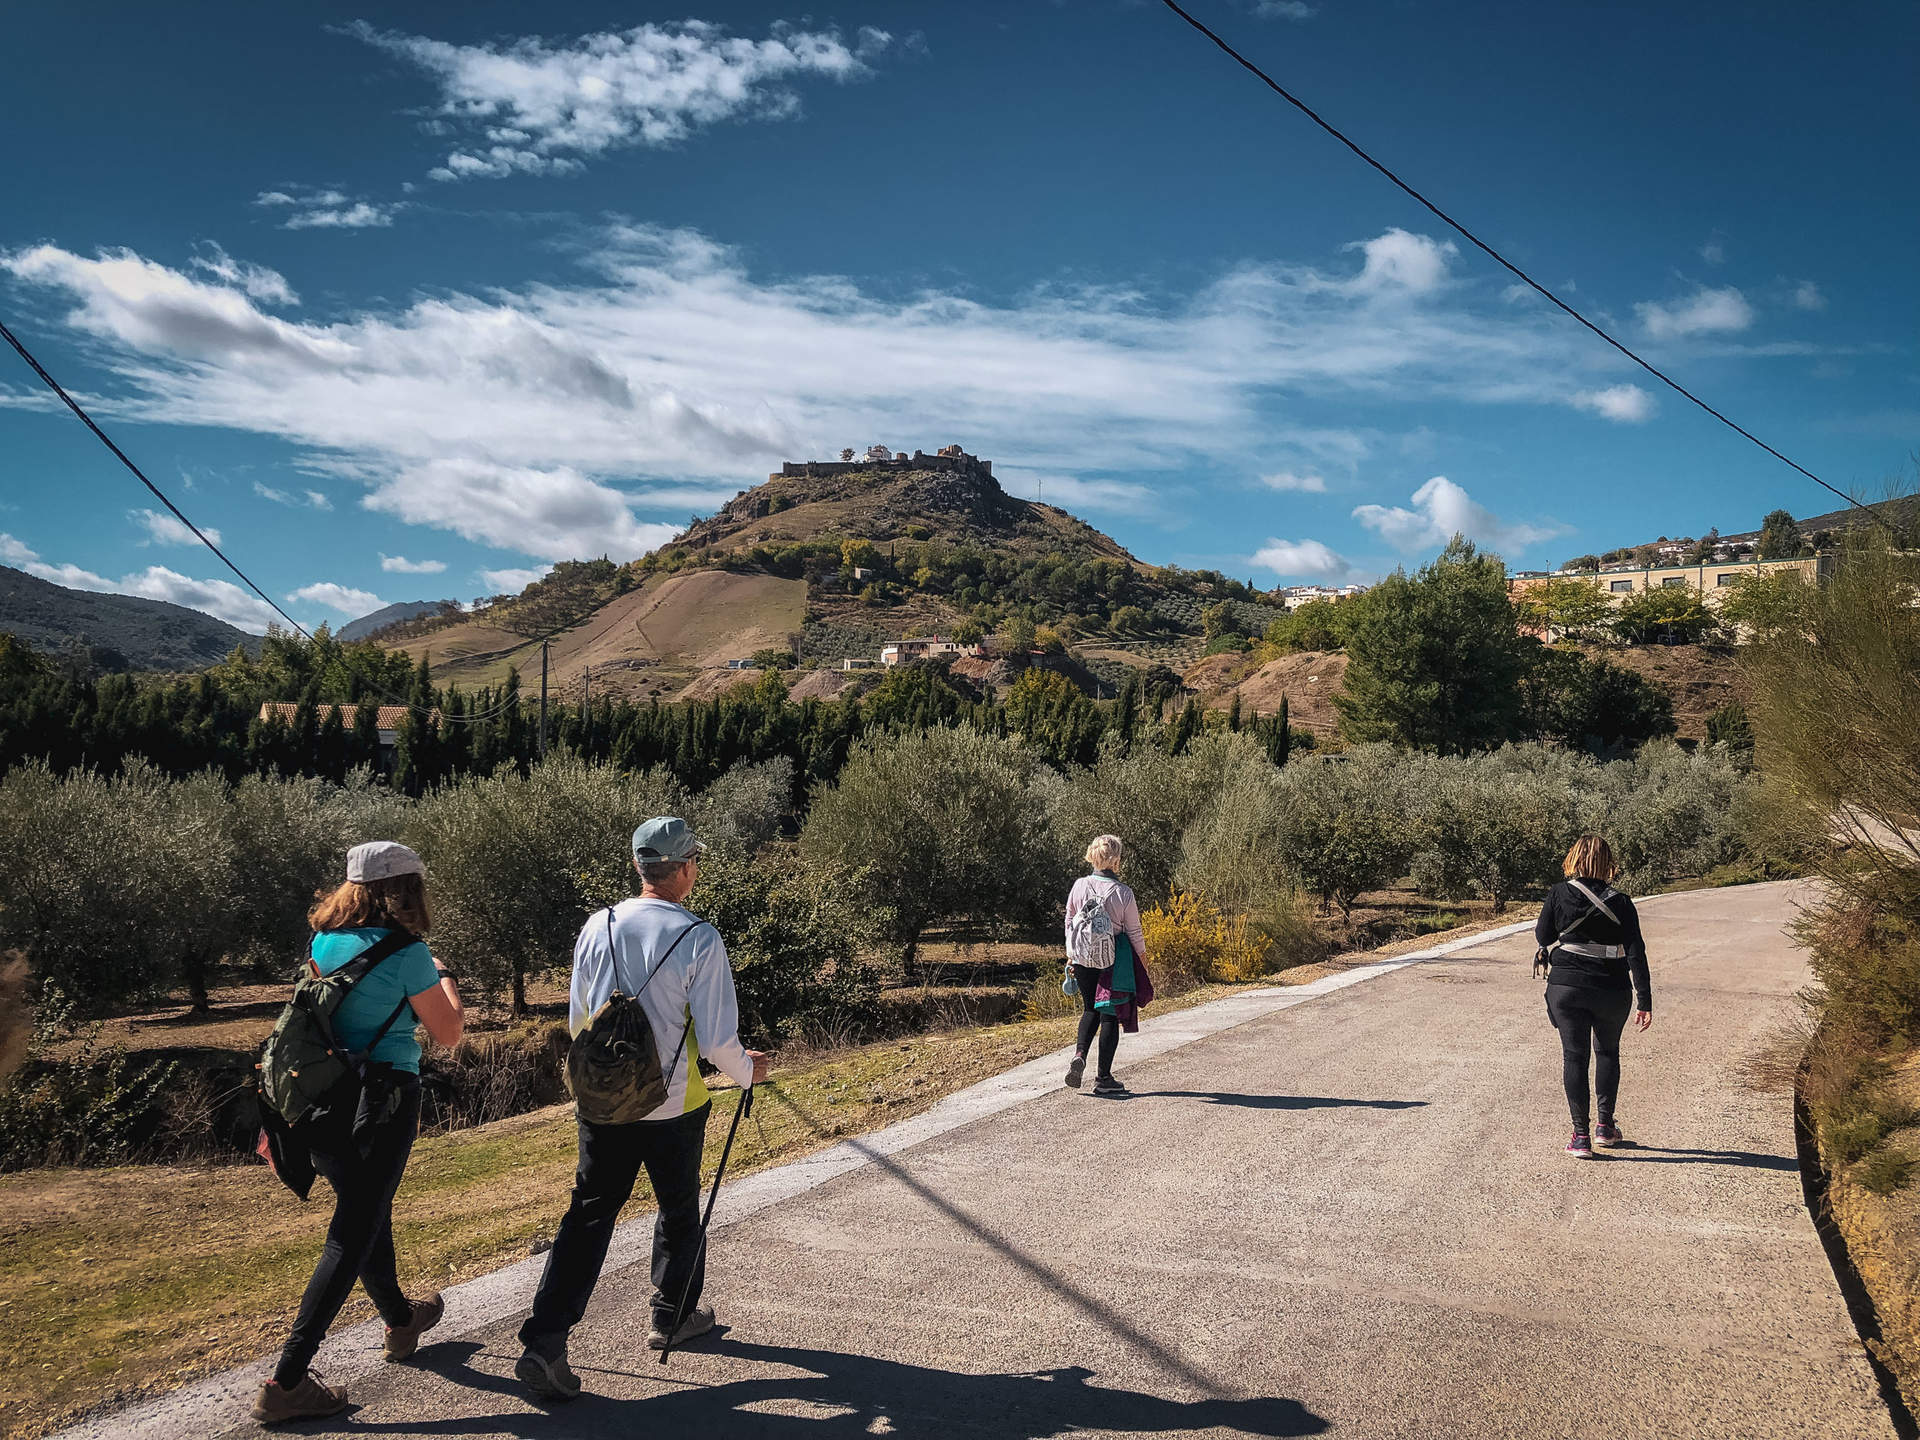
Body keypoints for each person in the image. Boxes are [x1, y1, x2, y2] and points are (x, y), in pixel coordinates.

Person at [516, 816, 771, 1401]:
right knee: (679, 1208)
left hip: (604, 1103)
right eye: (695, 861)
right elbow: (716, 1040)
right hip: (672, 1105)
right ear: (683, 869)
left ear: (639, 867)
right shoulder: (699, 937)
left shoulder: (596, 925)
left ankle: (545, 1341)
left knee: (587, 1215)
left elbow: (581, 1018)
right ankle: (671, 1315)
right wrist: (748, 1072)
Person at [255, 841, 465, 1426]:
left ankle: (401, 1321)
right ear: (406, 889)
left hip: (323, 1103)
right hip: (382, 1101)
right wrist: (444, 976)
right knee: (352, 1232)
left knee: (367, 1210)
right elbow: (449, 1033)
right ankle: (287, 1381)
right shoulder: (409, 952)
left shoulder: (323, 942)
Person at [1534, 835, 1652, 1160]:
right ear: (1607, 864)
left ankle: (1581, 1136)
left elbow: (1543, 936)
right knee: (1608, 1053)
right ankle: (1604, 1127)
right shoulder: (1623, 902)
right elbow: (1636, 952)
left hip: (1567, 987)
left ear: (1573, 858)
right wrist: (1645, 1000)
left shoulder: (1558, 893)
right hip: (1612, 989)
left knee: (1574, 1057)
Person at [1063, 834, 1150, 1098]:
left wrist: (1071, 953)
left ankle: (1079, 1054)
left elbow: (1069, 920)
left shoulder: (1079, 886)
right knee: (1109, 1014)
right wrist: (1143, 963)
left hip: (1083, 957)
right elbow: (1134, 931)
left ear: (1093, 856)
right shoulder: (1123, 893)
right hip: (1113, 960)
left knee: (1090, 1008)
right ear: (1116, 859)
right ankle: (1103, 1078)